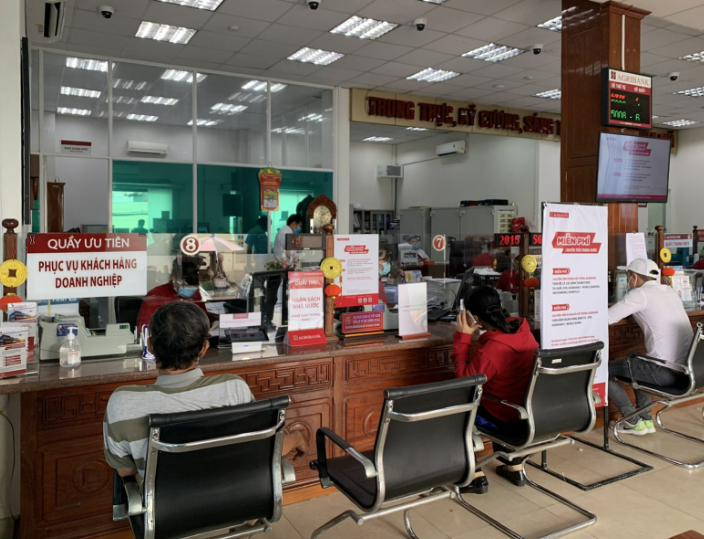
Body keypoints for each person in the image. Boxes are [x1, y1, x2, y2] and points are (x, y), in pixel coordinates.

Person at [104, 302, 308, 482]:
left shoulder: (123, 403)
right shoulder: (233, 388)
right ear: (204, 349)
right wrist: (297, 437)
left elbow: (125, 471)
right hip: (236, 500)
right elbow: (260, 450)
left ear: (150, 346)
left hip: (166, 510)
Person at [453, 286, 538, 493]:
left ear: (473, 317)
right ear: (500, 305)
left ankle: (474, 477)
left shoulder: (493, 349)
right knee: (502, 395)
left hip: (505, 417)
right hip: (528, 413)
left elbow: (465, 383)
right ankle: (514, 467)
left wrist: (462, 337)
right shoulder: (525, 332)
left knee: (455, 410)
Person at [608, 258, 694, 436]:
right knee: (638, 362)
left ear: (633, 277)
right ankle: (645, 418)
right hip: (688, 373)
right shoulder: (669, 291)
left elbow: (607, 317)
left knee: (602, 370)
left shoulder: (640, 294)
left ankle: (632, 420)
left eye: (628, 276)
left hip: (664, 372)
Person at [136, 257, 210, 330]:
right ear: (174, 279)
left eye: (193, 288)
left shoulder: (196, 294)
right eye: (185, 286)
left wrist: (213, 322)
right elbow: (144, 328)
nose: (190, 291)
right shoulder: (156, 295)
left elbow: (204, 319)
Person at [263, 215, 303, 330]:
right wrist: (301, 254)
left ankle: (270, 319)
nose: (298, 228)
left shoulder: (285, 231)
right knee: (272, 296)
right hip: (280, 268)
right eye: (299, 226)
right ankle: (266, 320)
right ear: (294, 223)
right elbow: (291, 252)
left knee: (274, 295)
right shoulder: (286, 233)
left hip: (281, 267)